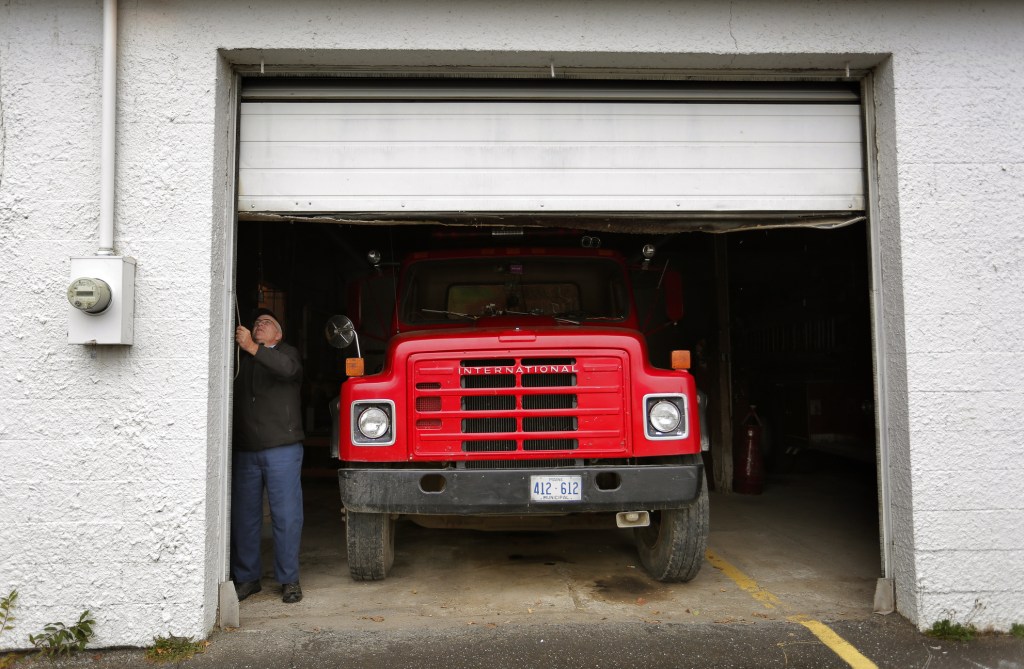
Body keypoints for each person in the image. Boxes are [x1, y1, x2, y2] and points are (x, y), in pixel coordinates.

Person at [231, 308, 305, 604]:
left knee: (286, 517)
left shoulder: (288, 354)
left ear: (279, 334)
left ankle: (289, 580)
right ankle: (248, 577)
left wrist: (252, 346)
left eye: (267, 323)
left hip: (282, 448)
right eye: (256, 321)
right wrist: (248, 350)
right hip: (247, 449)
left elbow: (287, 371)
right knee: (244, 518)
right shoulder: (242, 359)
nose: (259, 324)